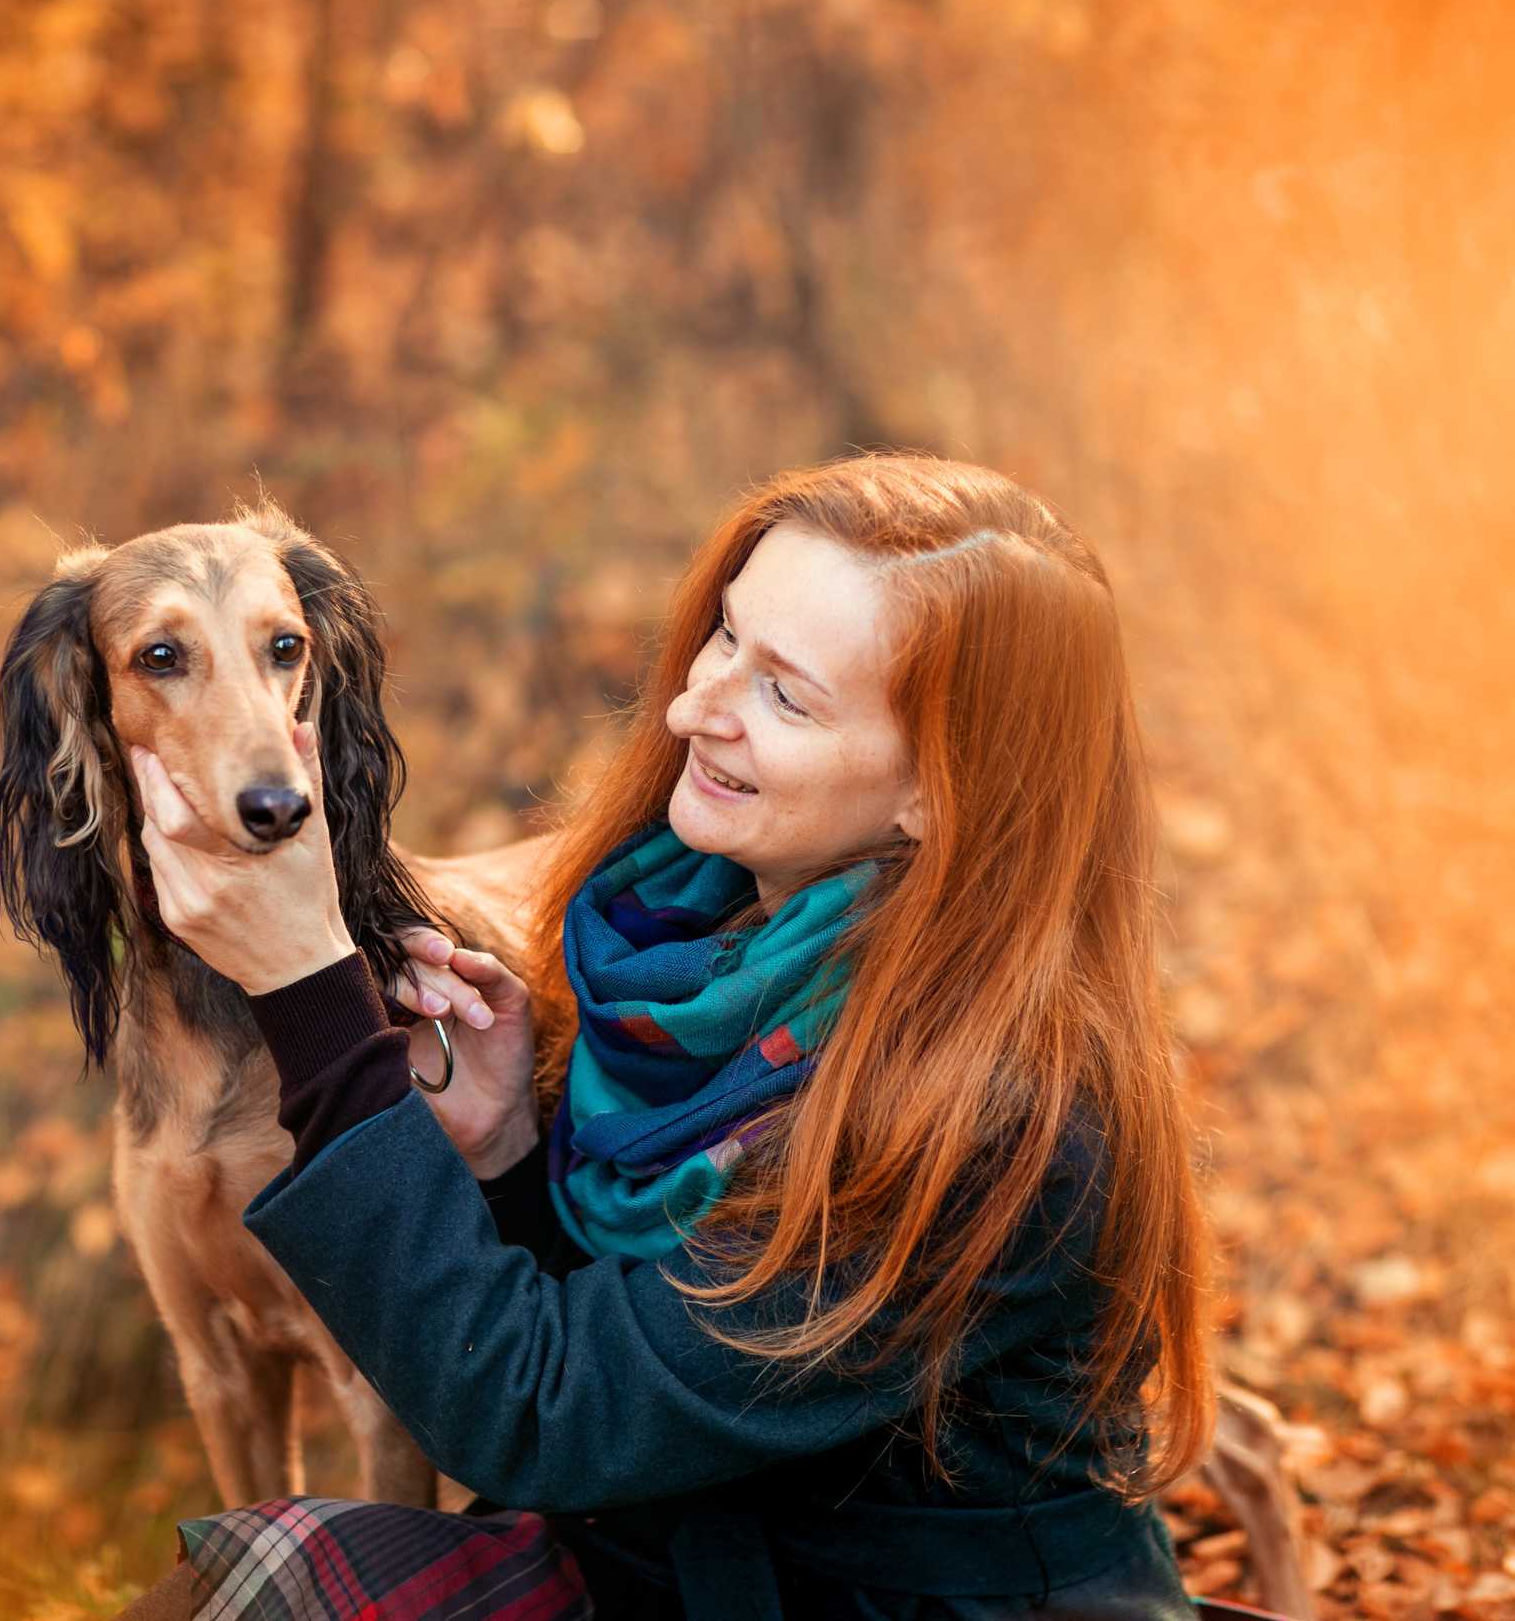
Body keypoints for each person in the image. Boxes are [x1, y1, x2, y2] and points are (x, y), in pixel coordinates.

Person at [118, 456, 1212, 1621]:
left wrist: (311, 992)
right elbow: (634, 1355)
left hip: (889, 1605)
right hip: (677, 1557)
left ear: (941, 790)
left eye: (785, 696)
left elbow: (546, 1419)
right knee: (226, 1589)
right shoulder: (677, 945)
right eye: (725, 637)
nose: (696, 705)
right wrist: (501, 1153)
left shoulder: (997, 1118)